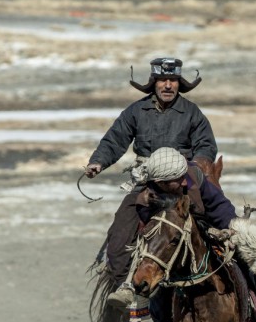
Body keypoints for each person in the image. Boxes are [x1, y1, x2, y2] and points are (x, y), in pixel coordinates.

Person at [84, 57, 218, 307]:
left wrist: (197, 165)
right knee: (120, 231)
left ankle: (223, 271)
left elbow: (206, 145)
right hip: (148, 180)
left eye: (173, 80)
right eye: (162, 80)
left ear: (179, 83)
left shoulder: (192, 113)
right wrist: (98, 162)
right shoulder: (136, 111)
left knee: (210, 222)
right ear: (153, 83)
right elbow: (115, 139)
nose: (168, 85)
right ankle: (125, 285)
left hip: (183, 180)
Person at [135, 148, 256, 322]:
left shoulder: (192, 176)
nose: (184, 183)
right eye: (177, 180)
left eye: (183, 177)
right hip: (173, 251)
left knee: (249, 264)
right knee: (159, 294)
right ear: (160, 182)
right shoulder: (147, 199)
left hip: (208, 235)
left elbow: (217, 204)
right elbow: (162, 233)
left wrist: (232, 228)